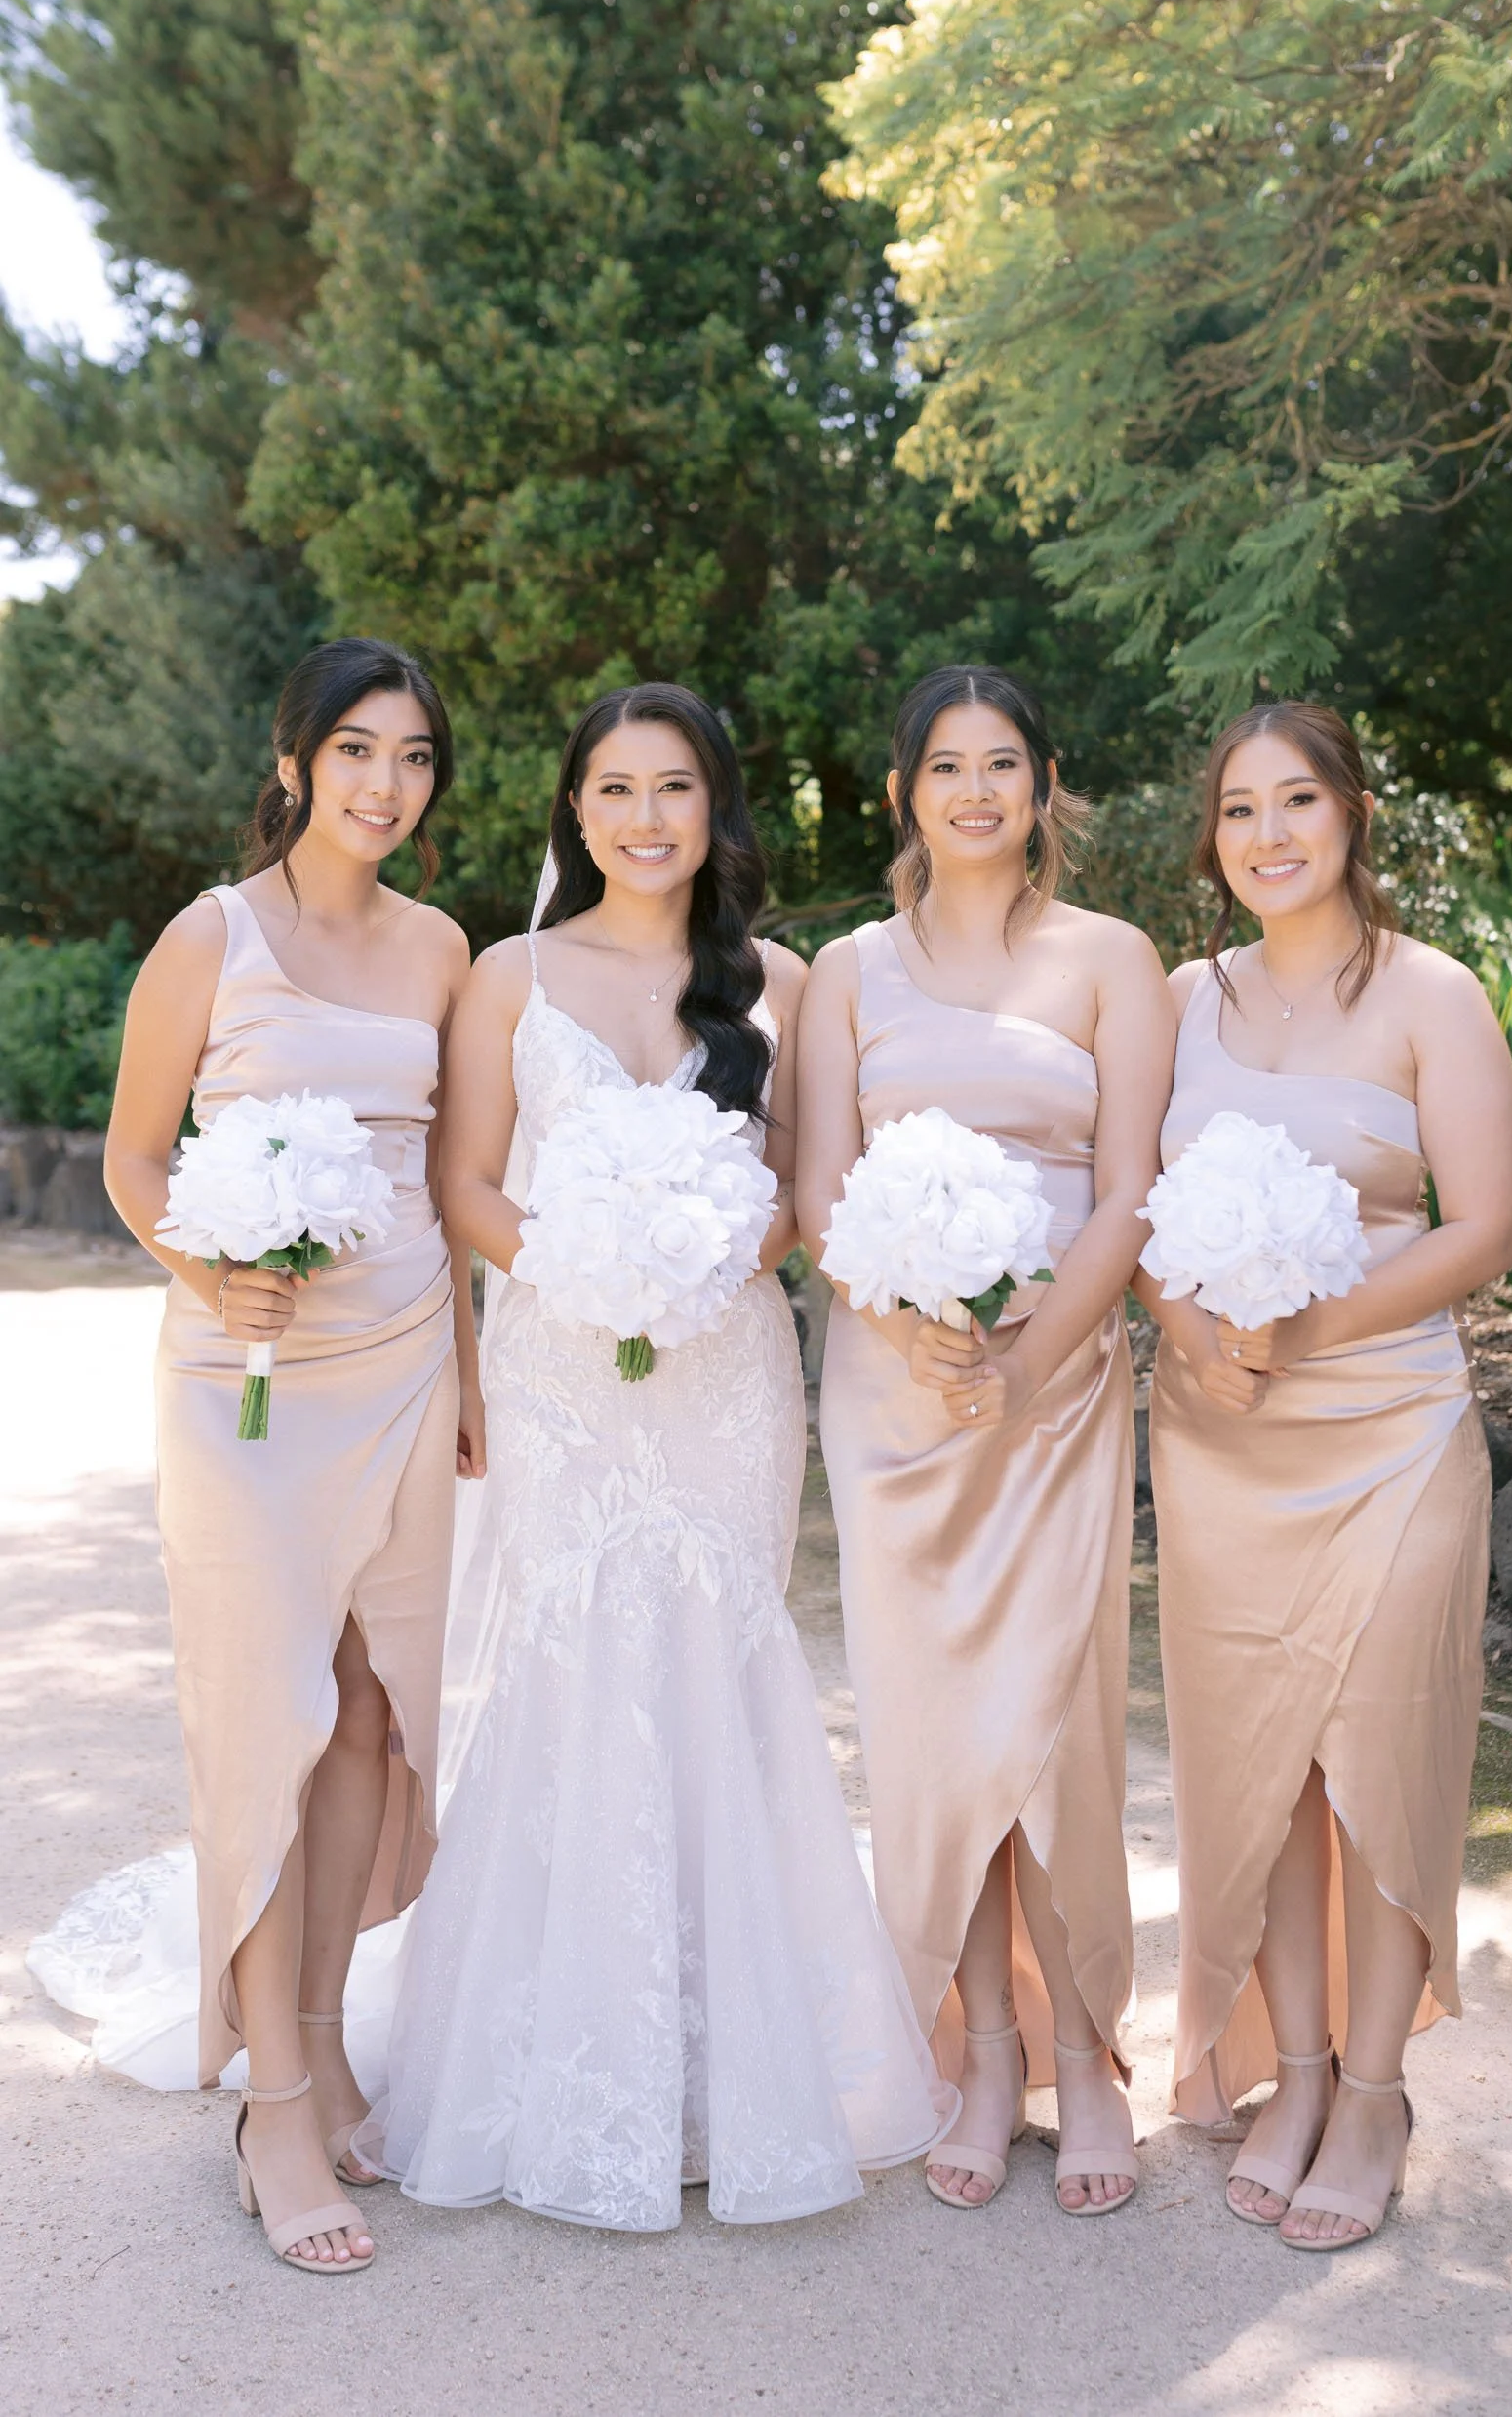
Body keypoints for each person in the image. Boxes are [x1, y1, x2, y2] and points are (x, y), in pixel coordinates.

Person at [360, 681, 955, 2231]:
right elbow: (465, 1181)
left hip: (724, 1367)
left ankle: (732, 2075)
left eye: (673, 787)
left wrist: (696, 1268)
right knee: (573, 1659)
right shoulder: (509, 973)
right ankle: (558, 2073)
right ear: (575, 808)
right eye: (614, 789)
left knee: (718, 1652)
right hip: (564, 1364)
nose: (643, 817)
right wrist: (584, 1268)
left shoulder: (779, 981)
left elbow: (801, 1187)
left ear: (715, 806)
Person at [100, 637, 480, 2274]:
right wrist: (210, 1270)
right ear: (292, 765)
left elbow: (448, 1173)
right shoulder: (212, 935)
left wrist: (467, 1374)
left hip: (402, 1357)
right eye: (356, 753)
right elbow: (133, 1158)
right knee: (267, 1715)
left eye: (413, 757)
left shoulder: (445, 947)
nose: (385, 786)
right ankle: (267, 2108)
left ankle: (320, 2047)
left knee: (374, 1710)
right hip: (245, 1376)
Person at [1138, 701, 1512, 2251]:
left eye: (1295, 800)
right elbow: (1131, 1209)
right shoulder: (1179, 1001)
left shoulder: (1435, 994)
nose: (1268, 834)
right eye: (1238, 810)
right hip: (1219, 1434)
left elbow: (1481, 1228)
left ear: (1352, 811)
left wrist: (1305, 1326)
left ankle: (1372, 2093)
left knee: (1379, 1763)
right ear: (1212, 837)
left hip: (1390, 1428)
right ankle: (1289, 2075)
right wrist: (1189, 1325)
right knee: (1263, 1769)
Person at [798, 665, 1174, 2215]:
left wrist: (1025, 1363)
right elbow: (821, 1189)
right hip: (895, 1397)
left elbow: (1131, 1186)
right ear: (903, 793)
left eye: (1000, 763)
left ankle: (1085, 2059)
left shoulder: (1112, 958)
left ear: (1041, 783)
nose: (973, 791)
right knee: (931, 1736)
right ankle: (979, 2053)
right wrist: (915, 1335)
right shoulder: (846, 970)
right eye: (944, 766)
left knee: (1057, 1729)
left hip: (1056, 1390)